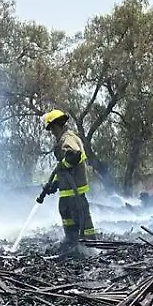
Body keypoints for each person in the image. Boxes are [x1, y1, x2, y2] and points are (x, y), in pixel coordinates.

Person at [36, 109, 97, 254]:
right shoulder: (63, 139)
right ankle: (72, 244)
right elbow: (63, 170)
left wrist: (63, 165)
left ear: (57, 125)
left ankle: (90, 248)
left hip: (75, 192)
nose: (52, 132)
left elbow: (74, 155)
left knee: (83, 222)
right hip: (67, 192)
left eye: (52, 129)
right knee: (67, 216)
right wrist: (54, 184)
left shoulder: (68, 138)